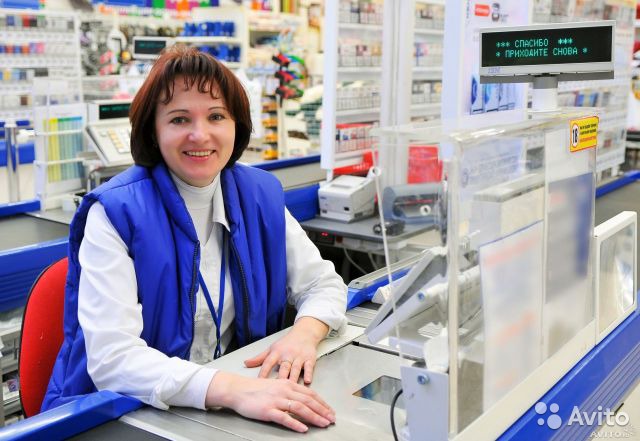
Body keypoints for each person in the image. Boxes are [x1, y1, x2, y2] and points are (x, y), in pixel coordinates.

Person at [42, 45, 348, 433]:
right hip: (119, 415)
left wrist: (303, 336)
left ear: (237, 125)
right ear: (153, 130)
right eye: (179, 119)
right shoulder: (116, 212)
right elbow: (112, 359)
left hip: (222, 408)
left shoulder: (259, 196)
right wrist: (233, 390)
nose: (200, 134)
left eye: (216, 116)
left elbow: (323, 284)